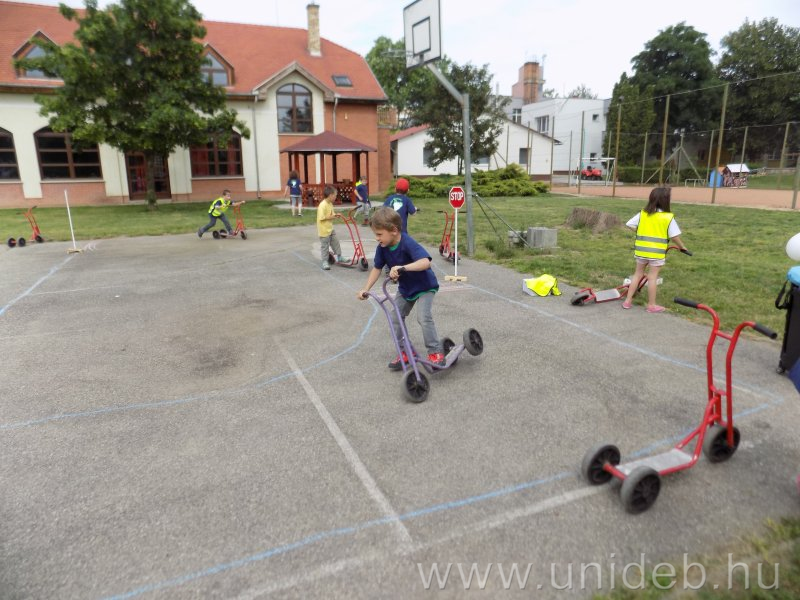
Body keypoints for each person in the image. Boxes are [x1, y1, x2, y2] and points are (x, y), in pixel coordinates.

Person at [357, 206, 445, 368]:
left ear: (394, 230)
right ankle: (406, 352)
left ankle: (435, 351)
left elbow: (426, 262)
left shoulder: (407, 242)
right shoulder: (382, 248)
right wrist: (366, 288)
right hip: (406, 289)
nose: (377, 238)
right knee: (395, 318)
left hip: (425, 286)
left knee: (423, 317)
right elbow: (377, 268)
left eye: (379, 234)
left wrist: (403, 268)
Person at [622, 187, 688, 313]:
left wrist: (639, 232)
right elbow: (674, 237)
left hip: (641, 251)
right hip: (656, 253)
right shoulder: (667, 217)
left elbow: (629, 224)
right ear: (665, 201)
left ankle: (627, 301)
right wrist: (682, 247)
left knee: (637, 274)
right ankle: (651, 305)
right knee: (652, 277)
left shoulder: (643, 213)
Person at [317, 184, 347, 270]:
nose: (336, 197)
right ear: (330, 195)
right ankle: (325, 261)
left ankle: (339, 256)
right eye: (335, 195)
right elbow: (321, 217)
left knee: (335, 242)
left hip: (330, 228)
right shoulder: (322, 205)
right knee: (325, 246)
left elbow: (331, 214)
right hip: (324, 230)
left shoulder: (330, 204)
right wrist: (332, 216)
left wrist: (336, 215)